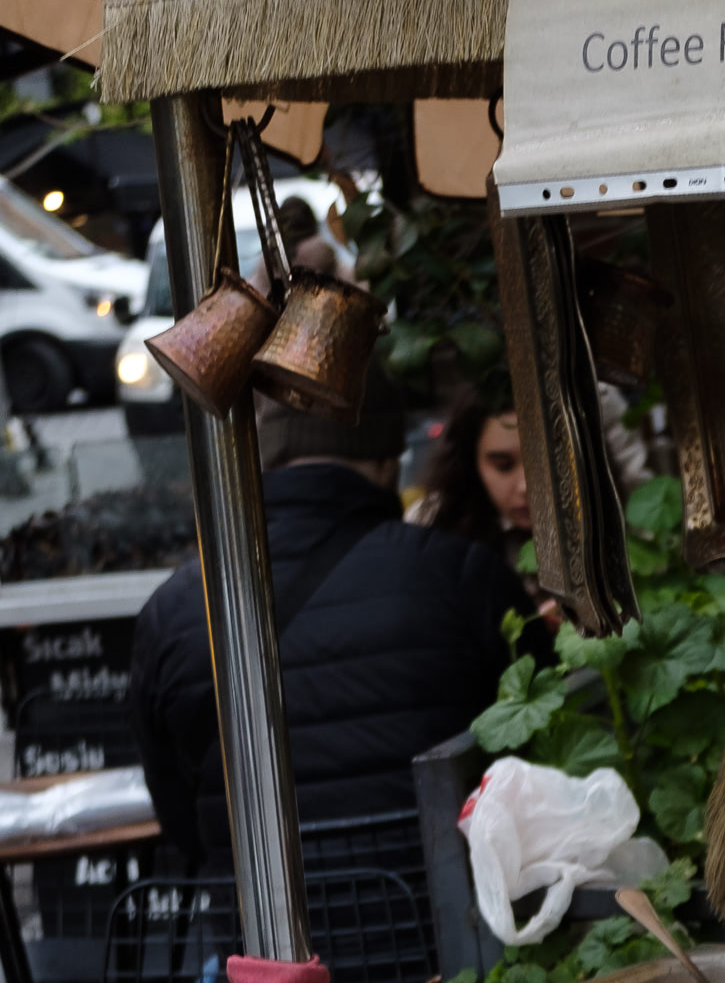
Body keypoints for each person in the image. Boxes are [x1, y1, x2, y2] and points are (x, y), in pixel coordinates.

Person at [129, 358, 517, 871]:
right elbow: (526, 763)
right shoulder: (464, 574)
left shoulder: (173, 610)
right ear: (386, 461)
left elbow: (180, 820)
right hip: (450, 932)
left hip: (260, 941)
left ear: (266, 457)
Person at [415, 387, 531, 556]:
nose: (525, 486)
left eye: (541, 469)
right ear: (470, 461)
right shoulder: (433, 521)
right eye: (503, 466)